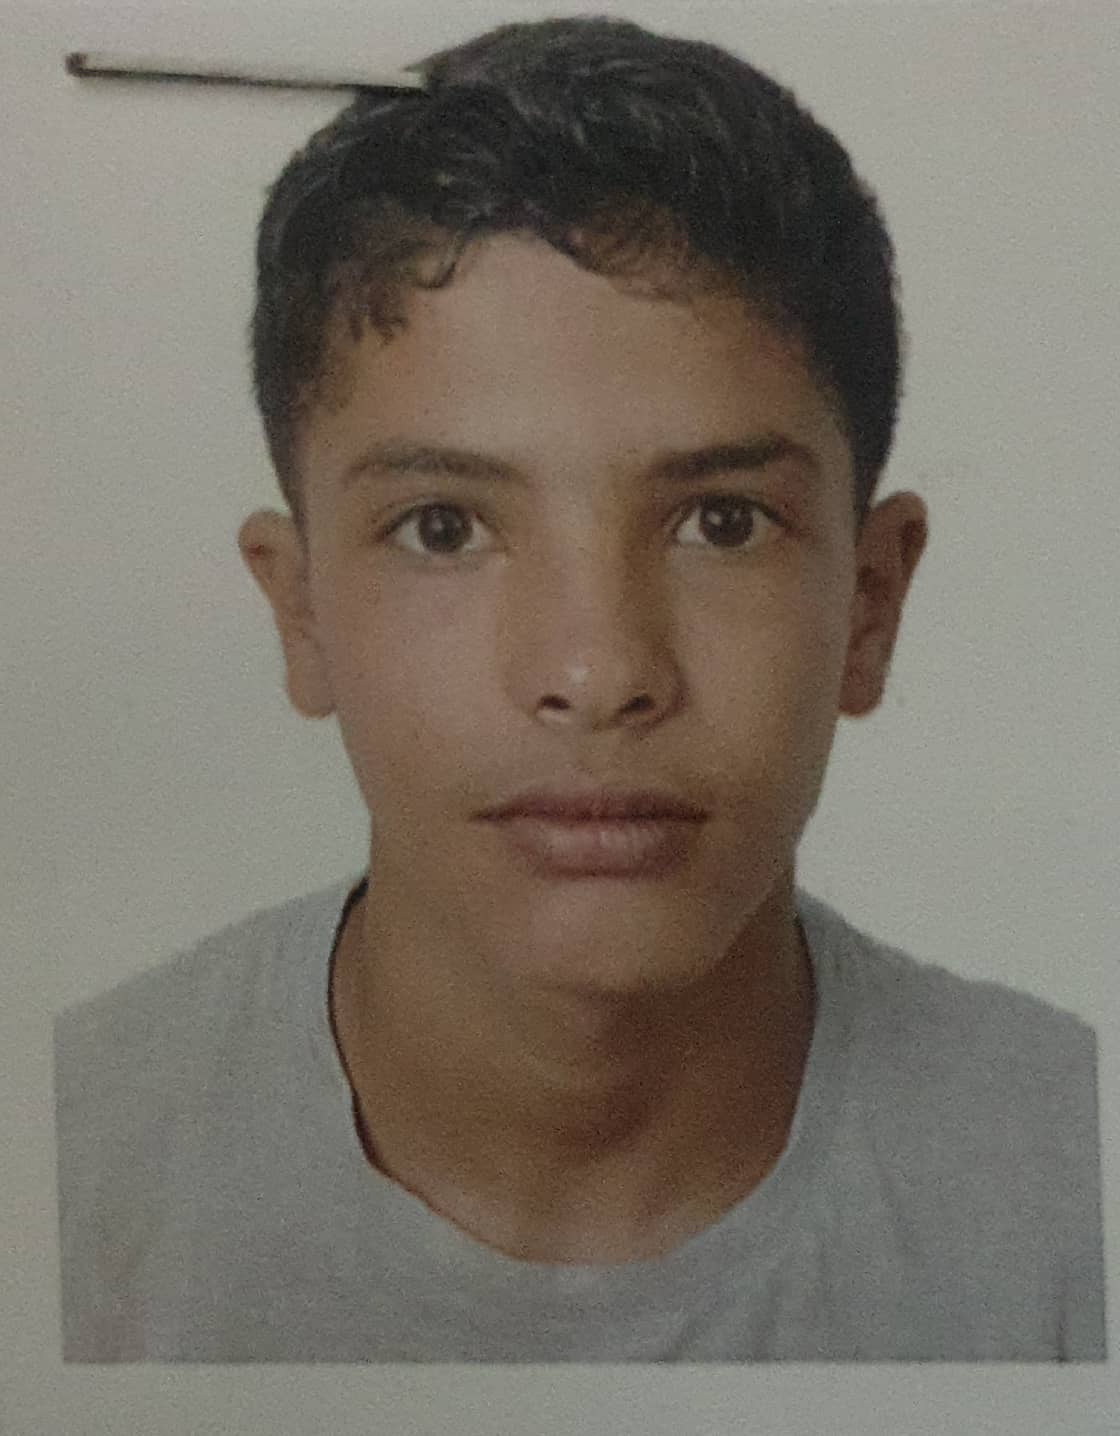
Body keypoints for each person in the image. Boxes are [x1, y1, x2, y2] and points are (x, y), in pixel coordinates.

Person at [54, 14, 1105, 1362]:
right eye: (445, 528)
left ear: (870, 601)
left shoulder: (1073, 1188)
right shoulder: (68, 1174)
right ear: (299, 610)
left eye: (721, 522)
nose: (597, 674)